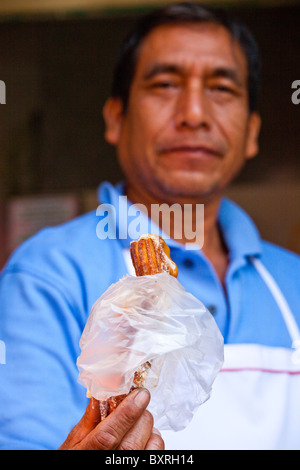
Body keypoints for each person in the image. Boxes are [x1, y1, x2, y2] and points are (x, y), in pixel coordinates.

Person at [1, 2, 300, 450]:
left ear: (252, 131)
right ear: (115, 119)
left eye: (221, 88)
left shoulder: (292, 280)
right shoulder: (47, 275)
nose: (194, 113)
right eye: (164, 84)